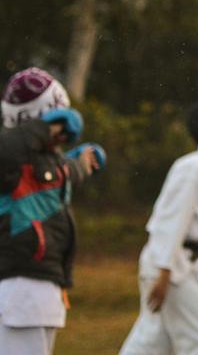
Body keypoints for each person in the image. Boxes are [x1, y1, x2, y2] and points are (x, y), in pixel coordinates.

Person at [118, 101, 198, 355]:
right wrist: (164, 271)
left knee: (153, 343)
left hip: (182, 266)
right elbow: (171, 220)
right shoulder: (194, 167)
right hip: (173, 268)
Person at [0, 68, 103, 355]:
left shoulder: (41, 163)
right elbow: (8, 148)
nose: (61, 135)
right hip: (20, 289)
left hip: (45, 288)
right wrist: (44, 127)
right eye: (58, 124)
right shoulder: (10, 160)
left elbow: (64, 172)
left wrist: (82, 162)